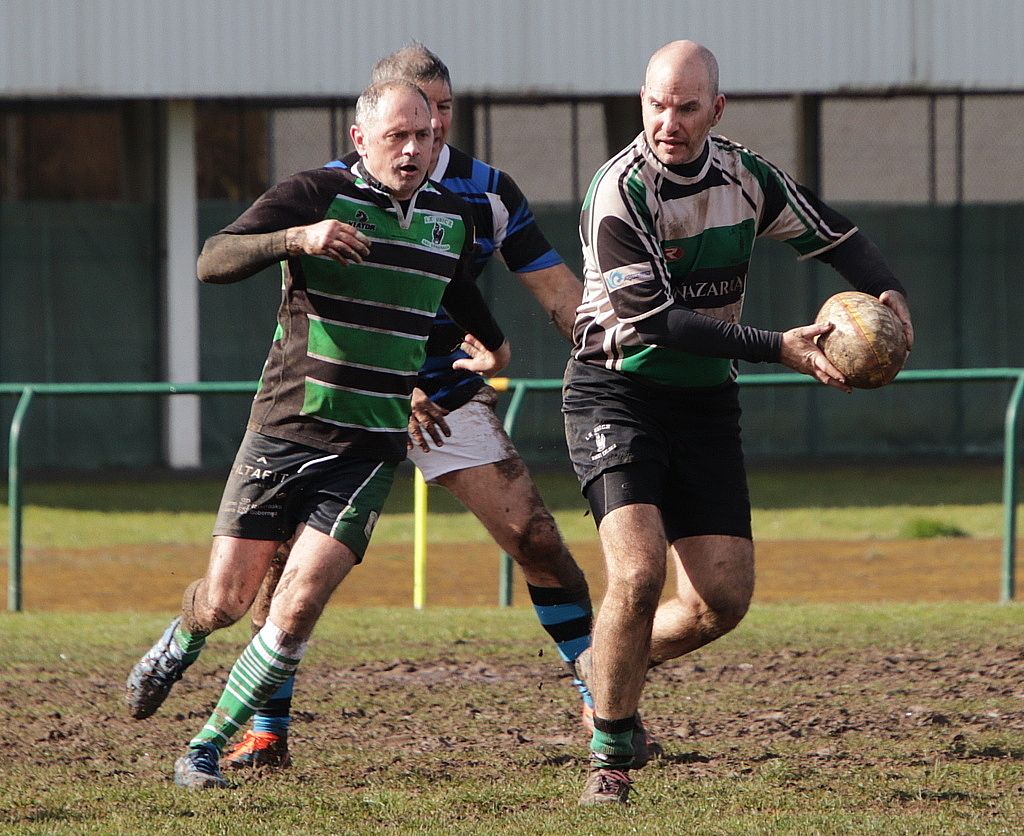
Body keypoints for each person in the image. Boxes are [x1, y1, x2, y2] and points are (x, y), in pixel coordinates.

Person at [221, 43, 662, 773]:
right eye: (417, 115)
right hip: (348, 399)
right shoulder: (328, 192)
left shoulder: (486, 190)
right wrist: (399, 385)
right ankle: (266, 732)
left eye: (444, 112)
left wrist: (618, 360)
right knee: (282, 571)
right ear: (375, 121)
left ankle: (600, 697)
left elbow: (557, 291)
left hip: (446, 399)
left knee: (538, 538)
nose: (431, 130)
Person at [125, 78, 511, 789]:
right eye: (398, 135)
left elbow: (453, 286)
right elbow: (213, 259)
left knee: (297, 605)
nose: (413, 149)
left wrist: (495, 343)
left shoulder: (452, 217)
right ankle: (183, 639)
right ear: (361, 140)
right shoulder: (314, 194)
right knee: (227, 600)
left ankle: (205, 748)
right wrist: (296, 239)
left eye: (426, 136)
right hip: (285, 430)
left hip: (369, 448)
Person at [562, 40, 914, 805]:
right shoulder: (619, 191)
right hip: (615, 393)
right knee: (639, 570)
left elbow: (835, 234)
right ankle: (611, 759)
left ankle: (602, 671)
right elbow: (655, 320)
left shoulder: (746, 176)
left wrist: (887, 292)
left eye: (688, 107)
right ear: (641, 101)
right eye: (658, 104)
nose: (669, 121)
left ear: (716, 110)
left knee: (721, 601)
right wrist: (777, 348)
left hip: (704, 404)